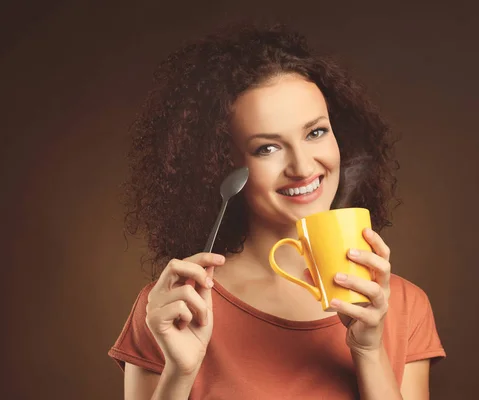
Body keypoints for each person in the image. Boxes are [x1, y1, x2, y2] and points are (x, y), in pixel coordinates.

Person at [108, 23, 446, 399]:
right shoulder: (174, 306)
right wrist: (179, 373)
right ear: (221, 166)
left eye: (315, 132)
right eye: (267, 148)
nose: (302, 167)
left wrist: (369, 351)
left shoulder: (404, 306)